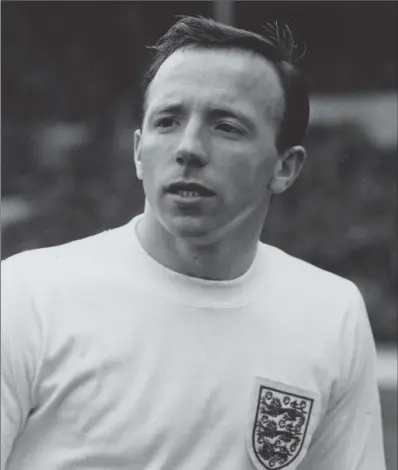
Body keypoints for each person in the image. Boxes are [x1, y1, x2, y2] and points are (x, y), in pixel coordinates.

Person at [1, 16, 386, 470]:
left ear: (285, 167)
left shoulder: (330, 312)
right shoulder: (27, 294)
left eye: (226, 127)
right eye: (168, 121)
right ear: (138, 152)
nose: (188, 148)